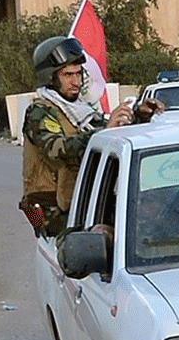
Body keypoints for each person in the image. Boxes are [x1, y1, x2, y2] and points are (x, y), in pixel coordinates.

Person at [19, 36, 132, 237]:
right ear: (51, 78)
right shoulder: (40, 112)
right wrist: (102, 132)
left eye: (79, 74)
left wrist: (139, 115)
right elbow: (56, 148)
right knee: (98, 246)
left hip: (78, 202)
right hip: (51, 213)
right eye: (68, 75)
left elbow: (109, 127)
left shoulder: (78, 110)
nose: (76, 82)